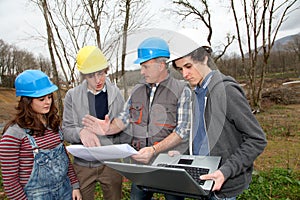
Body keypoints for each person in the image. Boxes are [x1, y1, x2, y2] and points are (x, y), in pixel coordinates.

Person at [82, 37, 192, 200]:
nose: (142, 72)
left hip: (171, 164)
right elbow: (124, 119)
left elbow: (182, 131)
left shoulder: (182, 90)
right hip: (142, 165)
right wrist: (108, 128)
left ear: (161, 65)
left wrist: (154, 150)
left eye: (145, 66)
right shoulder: (137, 90)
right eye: (141, 67)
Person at [170, 39, 267, 199]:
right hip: (202, 181)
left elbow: (257, 140)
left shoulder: (226, 91)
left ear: (205, 58)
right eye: (180, 70)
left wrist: (225, 171)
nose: (185, 75)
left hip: (223, 187)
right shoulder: (196, 93)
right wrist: (183, 154)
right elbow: (203, 137)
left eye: (188, 66)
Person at [0, 69, 81, 200]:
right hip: (36, 195)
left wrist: (74, 185)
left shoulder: (52, 124)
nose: (48, 102)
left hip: (65, 190)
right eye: (41, 99)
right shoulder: (13, 135)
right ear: (27, 101)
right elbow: (10, 182)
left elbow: (65, 158)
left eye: (49, 97)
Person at [62, 46, 127, 200]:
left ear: (106, 70)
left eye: (101, 73)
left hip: (111, 164)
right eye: (91, 76)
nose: (98, 80)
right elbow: (66, 130)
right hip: (83, 165)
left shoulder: (116, 94)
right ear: (84, 76)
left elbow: (125, 125)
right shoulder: (72, 95)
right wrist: (81, 132)